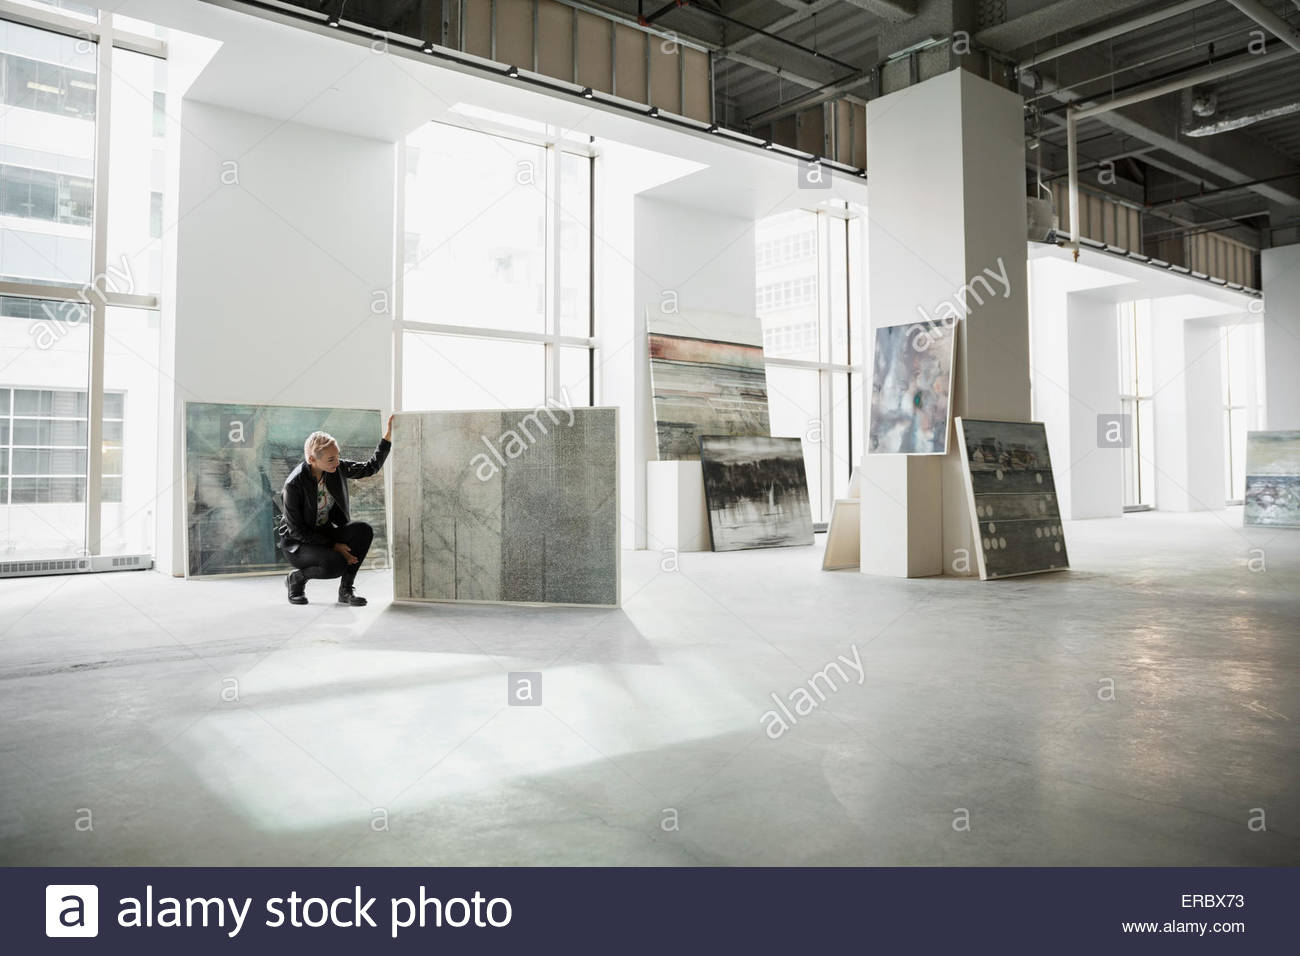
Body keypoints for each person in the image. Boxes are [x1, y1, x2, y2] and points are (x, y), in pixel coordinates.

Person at [277, 416, 392, 606]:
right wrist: (334, 545)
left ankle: (346, 591)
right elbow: (297, 531)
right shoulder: (294, 485)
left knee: (363, 530)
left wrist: (387, 438)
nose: (337, 462)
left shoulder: (334, 468)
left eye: (338, 455)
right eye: (331, 458)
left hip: (324, 533)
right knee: (335, 564)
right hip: (298, 544)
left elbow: (369, 468)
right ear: (312, 459)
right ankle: (297, 579)